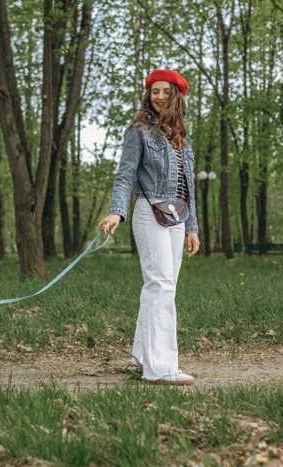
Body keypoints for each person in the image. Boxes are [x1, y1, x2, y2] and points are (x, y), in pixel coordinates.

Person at [98, 69, 200, 385]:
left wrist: (192, 227)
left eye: (164, 91)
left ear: (176, 95)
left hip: (176, 217)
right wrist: (116, 212)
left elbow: (188, 185)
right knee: (161, 286)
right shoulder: (139, 132)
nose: (158, 96)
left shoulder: (181, 136)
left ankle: (143, 358)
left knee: (159, 286)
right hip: (148, 211)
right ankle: (161, 368)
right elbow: (125, 175)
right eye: (154, 91)